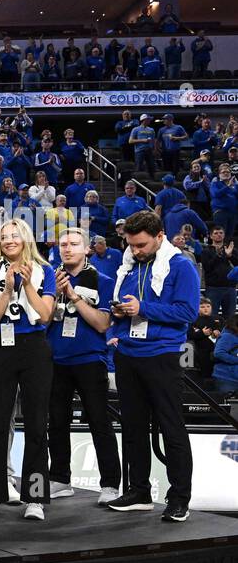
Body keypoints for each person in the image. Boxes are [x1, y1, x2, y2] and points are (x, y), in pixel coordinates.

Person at [105, 209, 200, 521]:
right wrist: (116, 328)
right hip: (129, 354)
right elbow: (125, 308)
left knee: (172, 428)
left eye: (142, 245)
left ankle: (179, 498)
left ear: (160, 236)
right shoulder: (129, 265)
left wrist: (142, 307)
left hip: (161, 356)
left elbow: (187, 312)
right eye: (132, 245)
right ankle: (139, 491)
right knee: (132, 428)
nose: (136, 251)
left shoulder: (181, 266)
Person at [0, 219, 57, 519]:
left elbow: (45, 315)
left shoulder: (45, 271)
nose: (9, 240)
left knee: (35, 423)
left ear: (26, 239)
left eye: (14, 236)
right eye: (4, 237)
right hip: (1, 347)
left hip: (34, 347)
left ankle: (35, 498)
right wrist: (6, 291)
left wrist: (27, 284)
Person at [46, 227, 121, 505]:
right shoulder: (50, 278)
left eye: (74, 244)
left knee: (100, 422)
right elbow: (42, 320)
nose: (67, 248)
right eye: (63, 244)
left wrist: (73, 295)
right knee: (57, 423)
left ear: (87, 249)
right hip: (56, 359)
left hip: (90, 359)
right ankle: (60, 479)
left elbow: (103, 324)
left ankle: (111, 484)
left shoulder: (102, 279)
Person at [212, 315, 238, 396]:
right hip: (227, 378)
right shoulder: (228, 336)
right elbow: (219, 353)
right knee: (227, 406)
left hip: (232, 377)